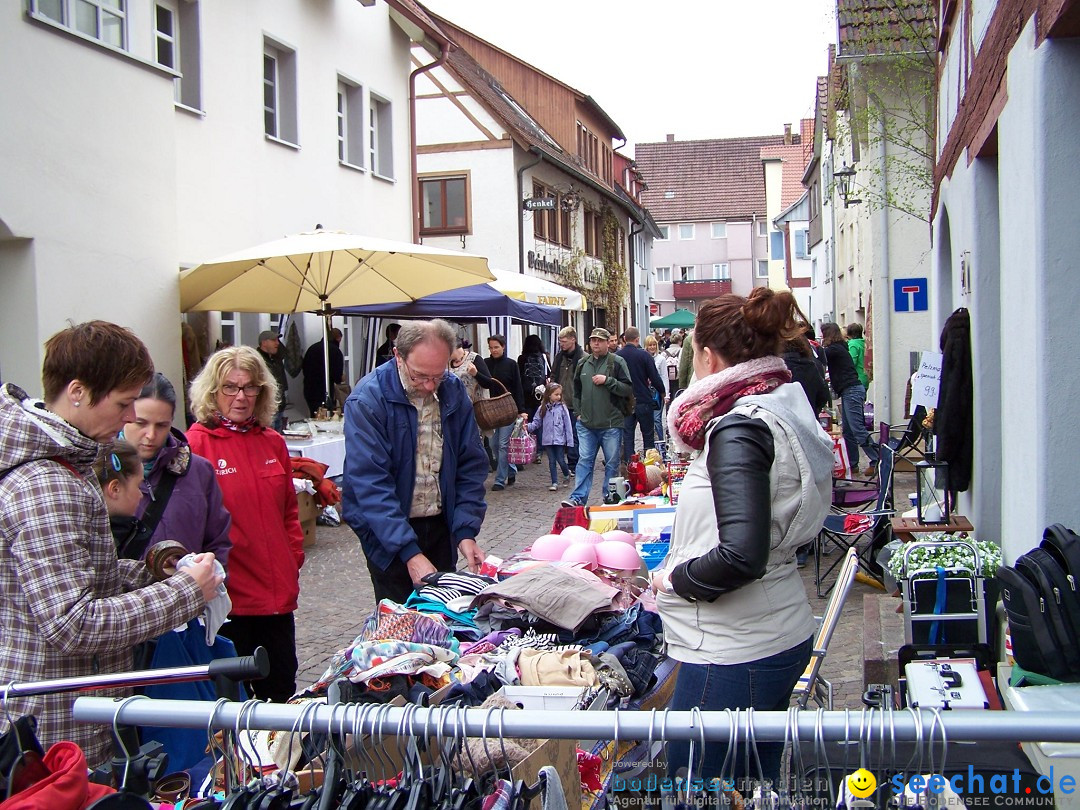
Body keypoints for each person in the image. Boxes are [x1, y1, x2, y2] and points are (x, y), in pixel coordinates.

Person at [0, 320, 221, 767]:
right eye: (123, 404)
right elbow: (71, 624)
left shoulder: (67, 463)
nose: (127, 419)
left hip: (68, 719)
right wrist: (185, 593)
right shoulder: (47, 483)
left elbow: (67, 580)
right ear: (77, 391)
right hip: (54, 735)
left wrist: (146, 571)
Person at [651, 290, 833, 784]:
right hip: (772, 629)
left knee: (696, 787)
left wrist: (673, 579)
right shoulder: (780, 401)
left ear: (707, 355)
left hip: (733, 647)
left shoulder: (739, 427)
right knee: (752, 787)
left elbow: (740, 556)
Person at [188, 346, 305, 703]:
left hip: (276, 596)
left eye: (249, 387)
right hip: (230, 600)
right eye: (230, 387)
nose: (240, 397)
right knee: (232, 700)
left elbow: (288, 510)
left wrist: (292, 556)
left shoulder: (272, 442)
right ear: (213, 391)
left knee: (282, 688)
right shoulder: (196, 444)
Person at [342, 319, 488, 604]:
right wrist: (408, 552)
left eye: (439, 375)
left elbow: (470, 465)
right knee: (401, 623)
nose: (429, 385)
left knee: (446, 617)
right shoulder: (368, 400)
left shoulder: (453, 391)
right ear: (398, 356)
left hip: (439, 525)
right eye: (420, 375)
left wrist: (465, 532)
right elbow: (371, 484)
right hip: (387, 533)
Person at [119, 373, 232, 564]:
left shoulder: (199, 471)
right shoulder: (98, 469)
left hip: (190, 589)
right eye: (141, 423)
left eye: (161, 425)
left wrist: (214, 582)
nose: (151, 435)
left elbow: (217, 544)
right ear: (125, 416)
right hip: (126, 592)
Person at [561, 328, 633, 508]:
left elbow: (627, 389)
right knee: (584, 461)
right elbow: (576, 389)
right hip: (586, 424)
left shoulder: (617, 362)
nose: (596, 344)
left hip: (611, 424)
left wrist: (607, 381)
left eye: (600, 341)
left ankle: (609, 496)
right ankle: (578, 497)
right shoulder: (583, 363)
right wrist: (578, 412)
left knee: (611, 463)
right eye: (593, 340)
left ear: (607, 342)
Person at [821, 322, 880, 477]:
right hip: (850, 390)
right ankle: (853, 464)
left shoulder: (833, 349)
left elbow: (819, 355)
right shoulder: (841, 346)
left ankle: (877, 460)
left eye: (823, 334)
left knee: (857, 429)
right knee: (848, 430)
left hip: (851, 390)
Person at [485, 334, 528, 492]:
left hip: (508, 409)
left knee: (503, 444)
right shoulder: (485, 363)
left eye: (496, 347)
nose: (493, 350)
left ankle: (500, 479)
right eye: (491, 347)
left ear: (503, 347)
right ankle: (511, 470)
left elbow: (518, 386)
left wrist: (521, 410)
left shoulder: (511, 364)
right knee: (493, 444)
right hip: (490, 410)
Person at [617, 327, 666, 462]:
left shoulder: (617, 357)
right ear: (637, 339)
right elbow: (655, 377)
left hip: (625, 400)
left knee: (628, 436)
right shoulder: (644, 355)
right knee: (648, 435)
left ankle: (629, 465)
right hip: (643, 399)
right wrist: (662, 392)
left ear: (624, 339)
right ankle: (649, 465)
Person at [527, 383, 574, 490]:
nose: (559, 397)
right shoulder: (542, 408)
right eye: (556, 394)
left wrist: (569, 440)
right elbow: (536, 422)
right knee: (551, 461)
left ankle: (566, 473)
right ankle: (554, 482)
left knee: (560, 460)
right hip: (547, 439)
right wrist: (528, 427)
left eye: (560, 395)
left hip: (559, 439)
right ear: (549, 395)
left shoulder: (562, 408)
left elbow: (567, 425)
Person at [550, 326, 584, 471]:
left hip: (576, 404)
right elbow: (553, 375)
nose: (561, 344)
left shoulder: (583, 358)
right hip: (559, 403)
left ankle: (573, 464)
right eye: (559, 341)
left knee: (574, 436)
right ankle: (565, 464)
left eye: (564, 341)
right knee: (561, 435)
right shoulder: (559, 357)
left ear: (573, 340)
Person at [302, 327, 345, 416]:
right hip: (325, 390)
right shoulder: (335, 351)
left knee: (315, 415)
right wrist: (341, 377)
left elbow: (305, 368)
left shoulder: (312, 348)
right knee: (327, 417)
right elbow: (337, 377)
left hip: (309, 389)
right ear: (338, 338)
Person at [256, 330, 289, 430]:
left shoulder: (276, 359)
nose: (277, 343)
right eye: (274, 340)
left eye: (277, 340)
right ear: (264, 343)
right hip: (267, 408)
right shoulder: (258, 360)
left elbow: (285, 353)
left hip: (279, 405)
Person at [517, 334, 551, 421]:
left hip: (526, 396)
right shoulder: (545, 357)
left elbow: (519, 377)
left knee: (528, 424)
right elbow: (550, 374)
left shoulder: (522, 358)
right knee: (540, 421)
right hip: (541, 394)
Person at [644, 335, 666, 442]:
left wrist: (666, 394)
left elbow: (663, 377)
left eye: (654, 345)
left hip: (657, 392)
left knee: (657, 419)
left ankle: (661, 442)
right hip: (646, 392)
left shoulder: (661, 359)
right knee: (649, 420)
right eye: (650, 345)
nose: (652, 347)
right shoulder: (643, 357)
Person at [846, 322, 869, 389]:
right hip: (865, 377)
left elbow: (852, 362)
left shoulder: (853, 344)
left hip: (858, 378)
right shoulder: (864, 342)